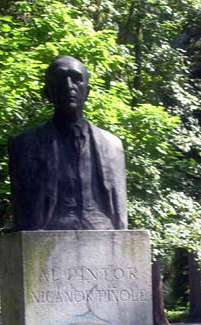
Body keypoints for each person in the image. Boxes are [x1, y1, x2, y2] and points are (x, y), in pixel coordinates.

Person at [8, 55, 127, 231]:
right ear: (47, 92)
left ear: (87, 91)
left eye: (76, 79)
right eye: (60, 79)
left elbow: (119, 210)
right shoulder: (24, 145)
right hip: (47, 235)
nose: (68, 86)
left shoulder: (112, 145)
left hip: (102, 232)